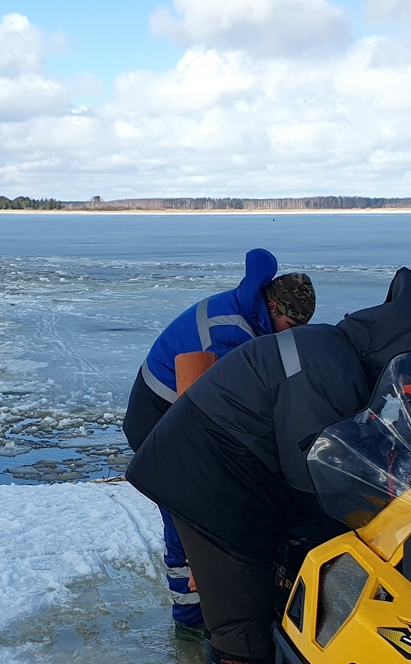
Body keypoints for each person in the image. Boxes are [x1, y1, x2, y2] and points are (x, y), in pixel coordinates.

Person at [125, 268, 411, 664]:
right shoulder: (329, 368)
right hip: (207, 472)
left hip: (201, 463)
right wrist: (346, 523)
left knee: (232, 601)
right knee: (241, 602)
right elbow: (309, 462)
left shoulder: (333, 351)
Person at [122, 249, 316, 641]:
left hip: (181, 403)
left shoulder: (253, 313)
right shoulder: (230, 334)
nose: (288, 333)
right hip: (159, 414)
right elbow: (219, 412)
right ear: (273, 306)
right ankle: (191, 618)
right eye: (288, 324)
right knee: (189, 509)